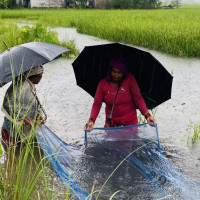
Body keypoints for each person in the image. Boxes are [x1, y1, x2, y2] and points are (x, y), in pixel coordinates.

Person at [84, 58, 156, 131]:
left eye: (119, 72)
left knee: (130, 142)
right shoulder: (102, 84)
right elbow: (97, 103)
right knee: (109, 142)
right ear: (110, 71)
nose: (116, 75)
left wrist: (147, 116)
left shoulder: (130, 79)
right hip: (111, 124)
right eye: (114, 72)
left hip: (130, 124)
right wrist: (92, 120)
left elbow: (138, 98)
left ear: (124, 72)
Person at [1, 65, 46, 145]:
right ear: (34, 76)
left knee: (29, 152)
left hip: (24, 130)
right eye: (40, 75)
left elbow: (31, 103)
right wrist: (27, 121)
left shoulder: (28, 84)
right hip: (13, 132)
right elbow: (8, 106)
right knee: (15, 153)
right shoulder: (19, 86)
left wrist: (39, 115)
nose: (41, 78)